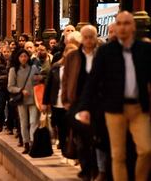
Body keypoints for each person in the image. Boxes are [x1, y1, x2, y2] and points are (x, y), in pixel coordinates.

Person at [78, 11, 151, 181]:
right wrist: (84, 107)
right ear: (115, 27)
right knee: (118, 154)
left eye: (127, 23)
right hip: (114, 108)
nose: (123, 27)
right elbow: (92, 81)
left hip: (139, 107)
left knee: (146, 149)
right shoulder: (105, 52)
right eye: (119, 23)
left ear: (133, 26)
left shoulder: (144, 50)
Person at [62, 25, 99, 180]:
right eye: (86, 37)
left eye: (91, 36)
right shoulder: (73, 57)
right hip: (77, 101)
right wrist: (65, 99)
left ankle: (96, 168)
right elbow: (66, 79)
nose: (89, 40)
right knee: (82, 138)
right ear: (81, 39)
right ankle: (86, 168)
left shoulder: (101, 54)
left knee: (96, 137)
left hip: (98, 102)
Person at [8, 49, 40, 154]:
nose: (23, 58)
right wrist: (20, 90)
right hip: (21, 100)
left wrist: (40, 78)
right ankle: (26, 143)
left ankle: (33, 143)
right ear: (18, 58)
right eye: (21, 56)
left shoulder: (34, 68)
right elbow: (10, 87)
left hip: (33, 99)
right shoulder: (13, 70)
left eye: (25, 56)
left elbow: (38, 82)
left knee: (33, 122)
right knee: (24, 123)